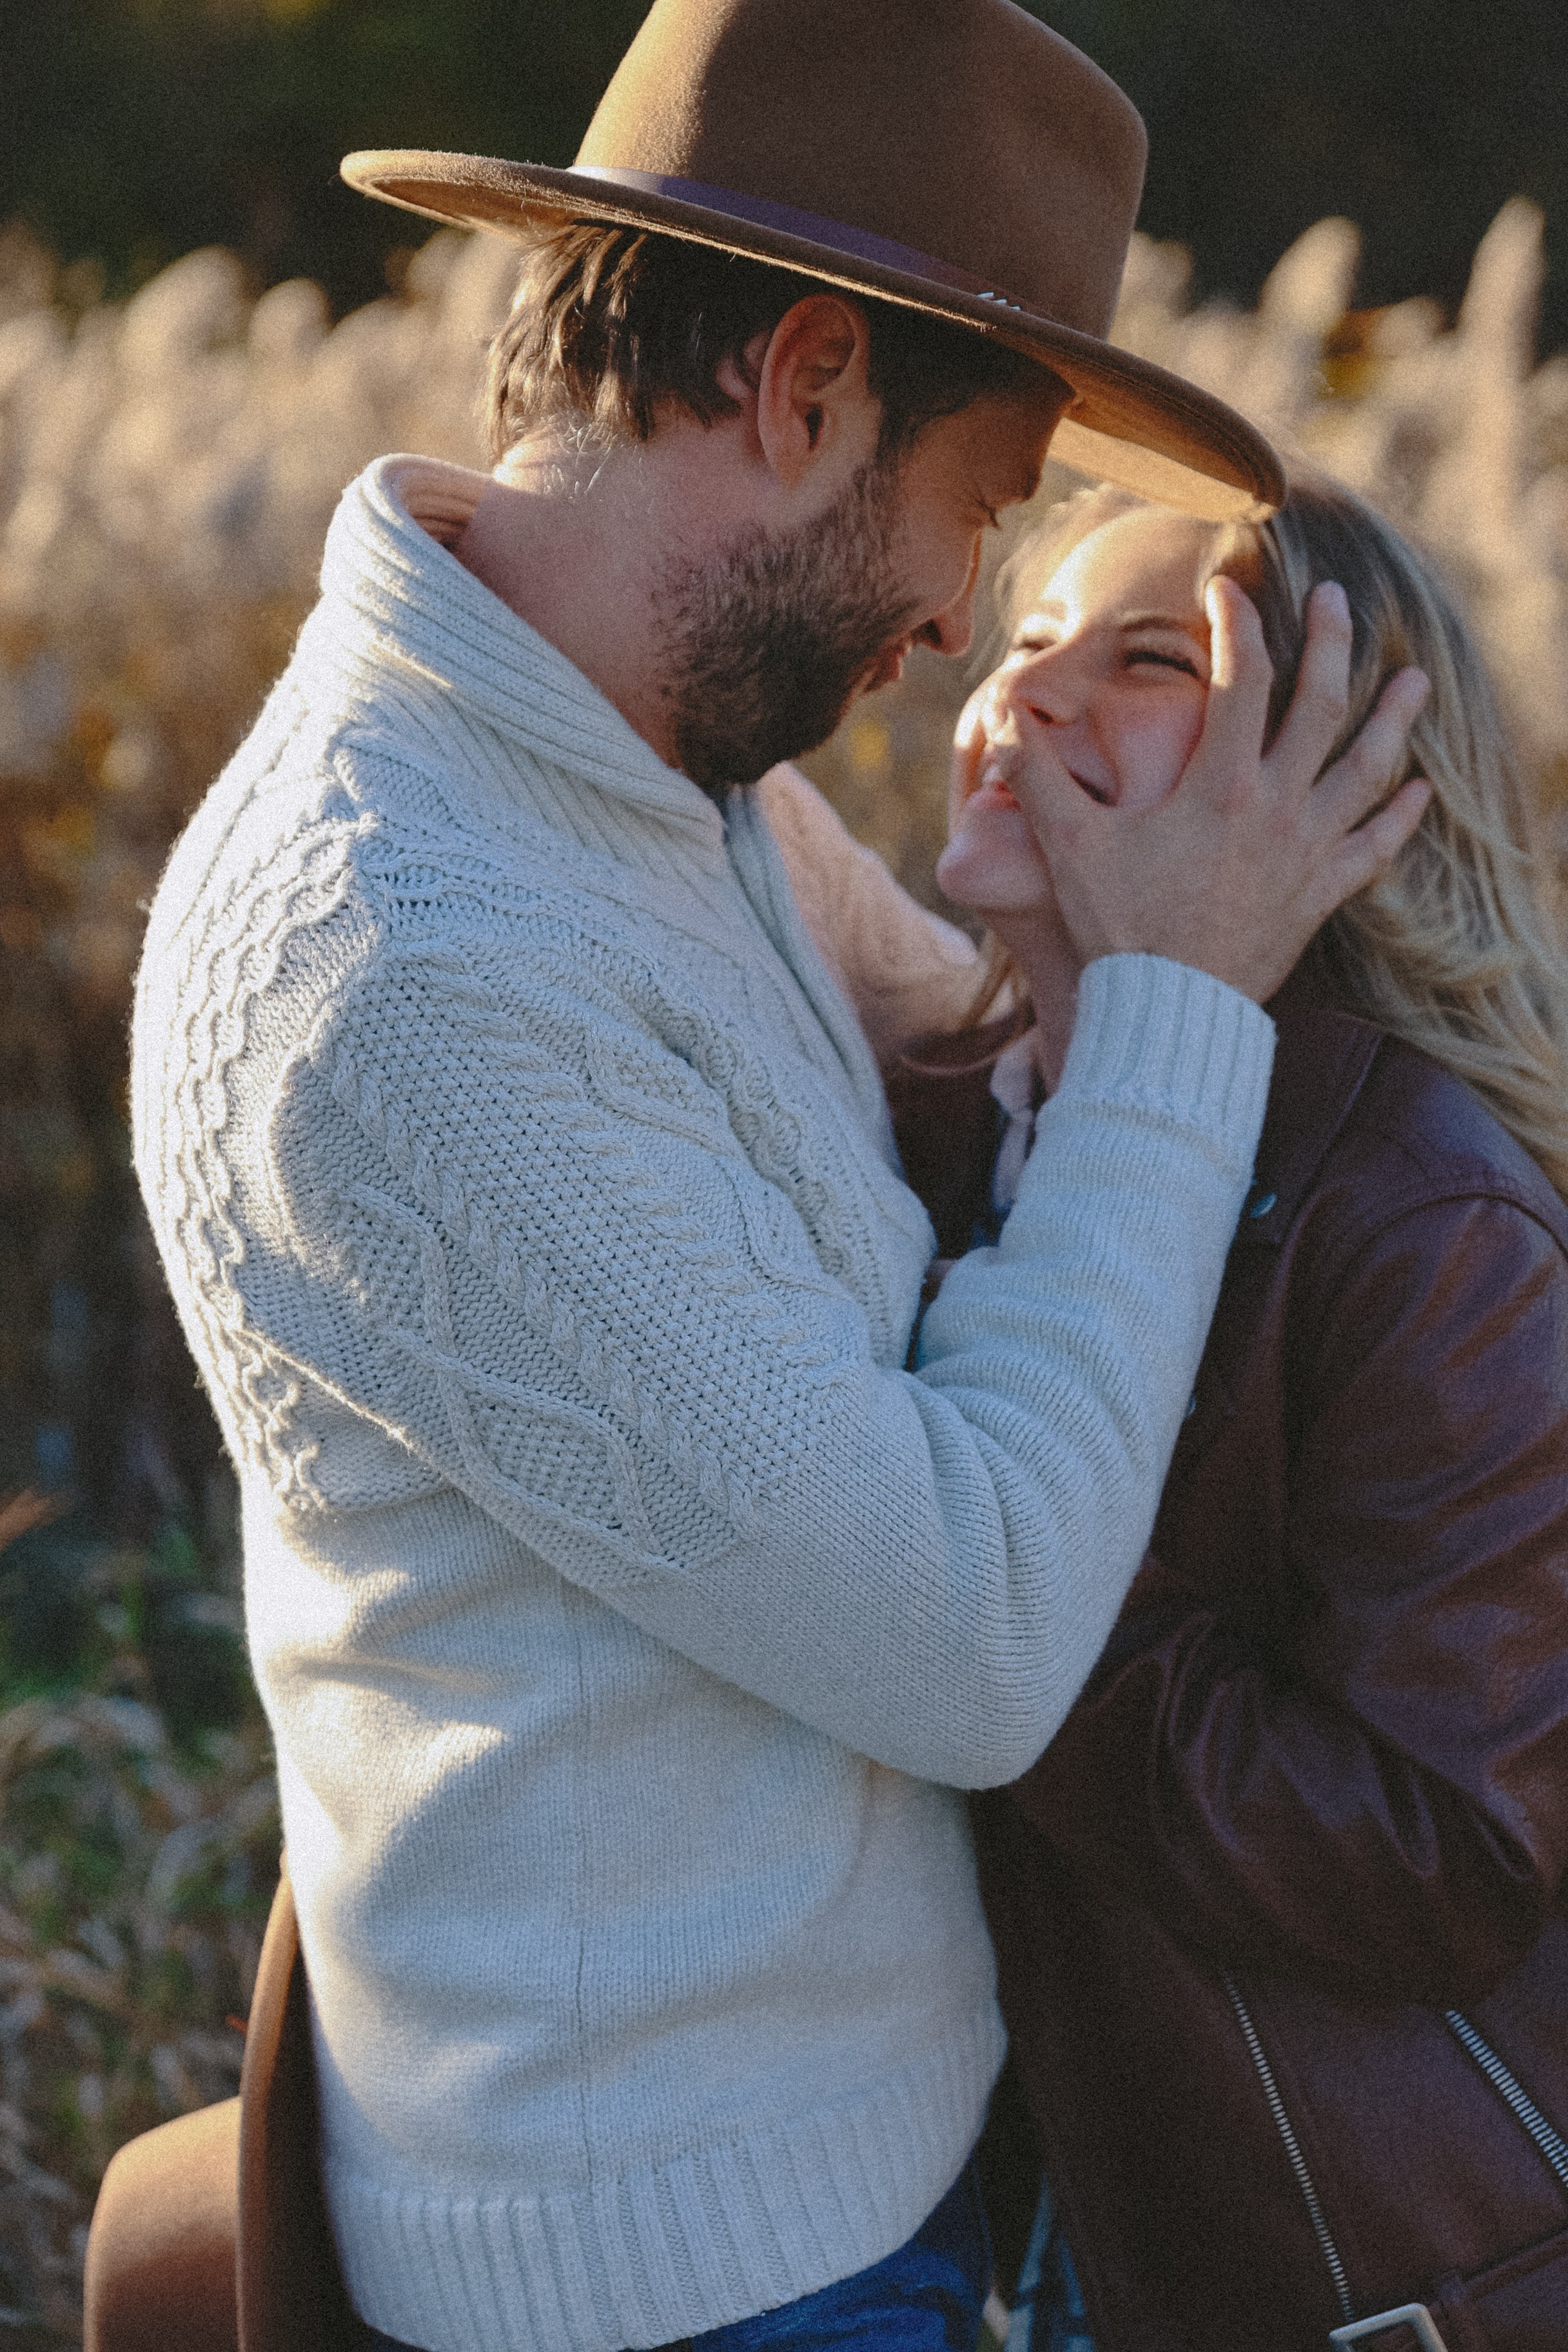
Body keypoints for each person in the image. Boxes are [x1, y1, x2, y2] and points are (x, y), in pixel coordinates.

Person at [128, 4, 1429, 2348]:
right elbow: (980, 1637)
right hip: (688, 2276)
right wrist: (1189, 1007)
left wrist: (1165, 914)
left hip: (866, 2166)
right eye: (984, 511)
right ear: (801, 385)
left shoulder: (649, 777)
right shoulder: (404, 974)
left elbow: (951, 1040)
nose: (961, 624)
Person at [887, 474, 1568, 2351]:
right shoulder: (926, 1123)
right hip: (1042, 2234)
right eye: (1020, 647)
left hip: (1374, 2282)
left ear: (1336, 775)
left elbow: (1448, 1843)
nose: (1025, 698)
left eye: (1142, 661)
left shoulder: (1419, 1216)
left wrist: (997, 1581)